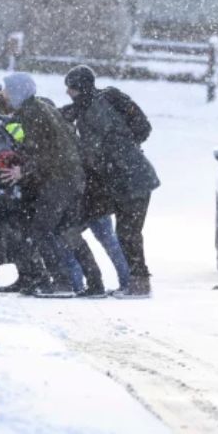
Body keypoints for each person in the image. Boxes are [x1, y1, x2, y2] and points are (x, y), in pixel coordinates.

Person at [64, 65, 159, 298]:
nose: (69, 92)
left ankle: (138, 284)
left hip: (130, 181)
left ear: (82, 88)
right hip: (124, 179)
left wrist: (121, 152)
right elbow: (142, 128)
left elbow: (94, 150)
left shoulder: (93, 111)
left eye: (72, 88)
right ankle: (131, 282)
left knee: (128, 232)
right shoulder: (95, 103)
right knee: (122, 232)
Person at [0, 73, 86, 297]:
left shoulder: (32, 113)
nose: (4, 94)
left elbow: (45, 152)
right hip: (66, 178)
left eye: (7, 89)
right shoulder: (36, 108)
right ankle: (41, 279)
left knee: (42, 230)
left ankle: (62, 283)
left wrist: (22, 171)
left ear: (18, 91)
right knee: (51, 231)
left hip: (60, 180)